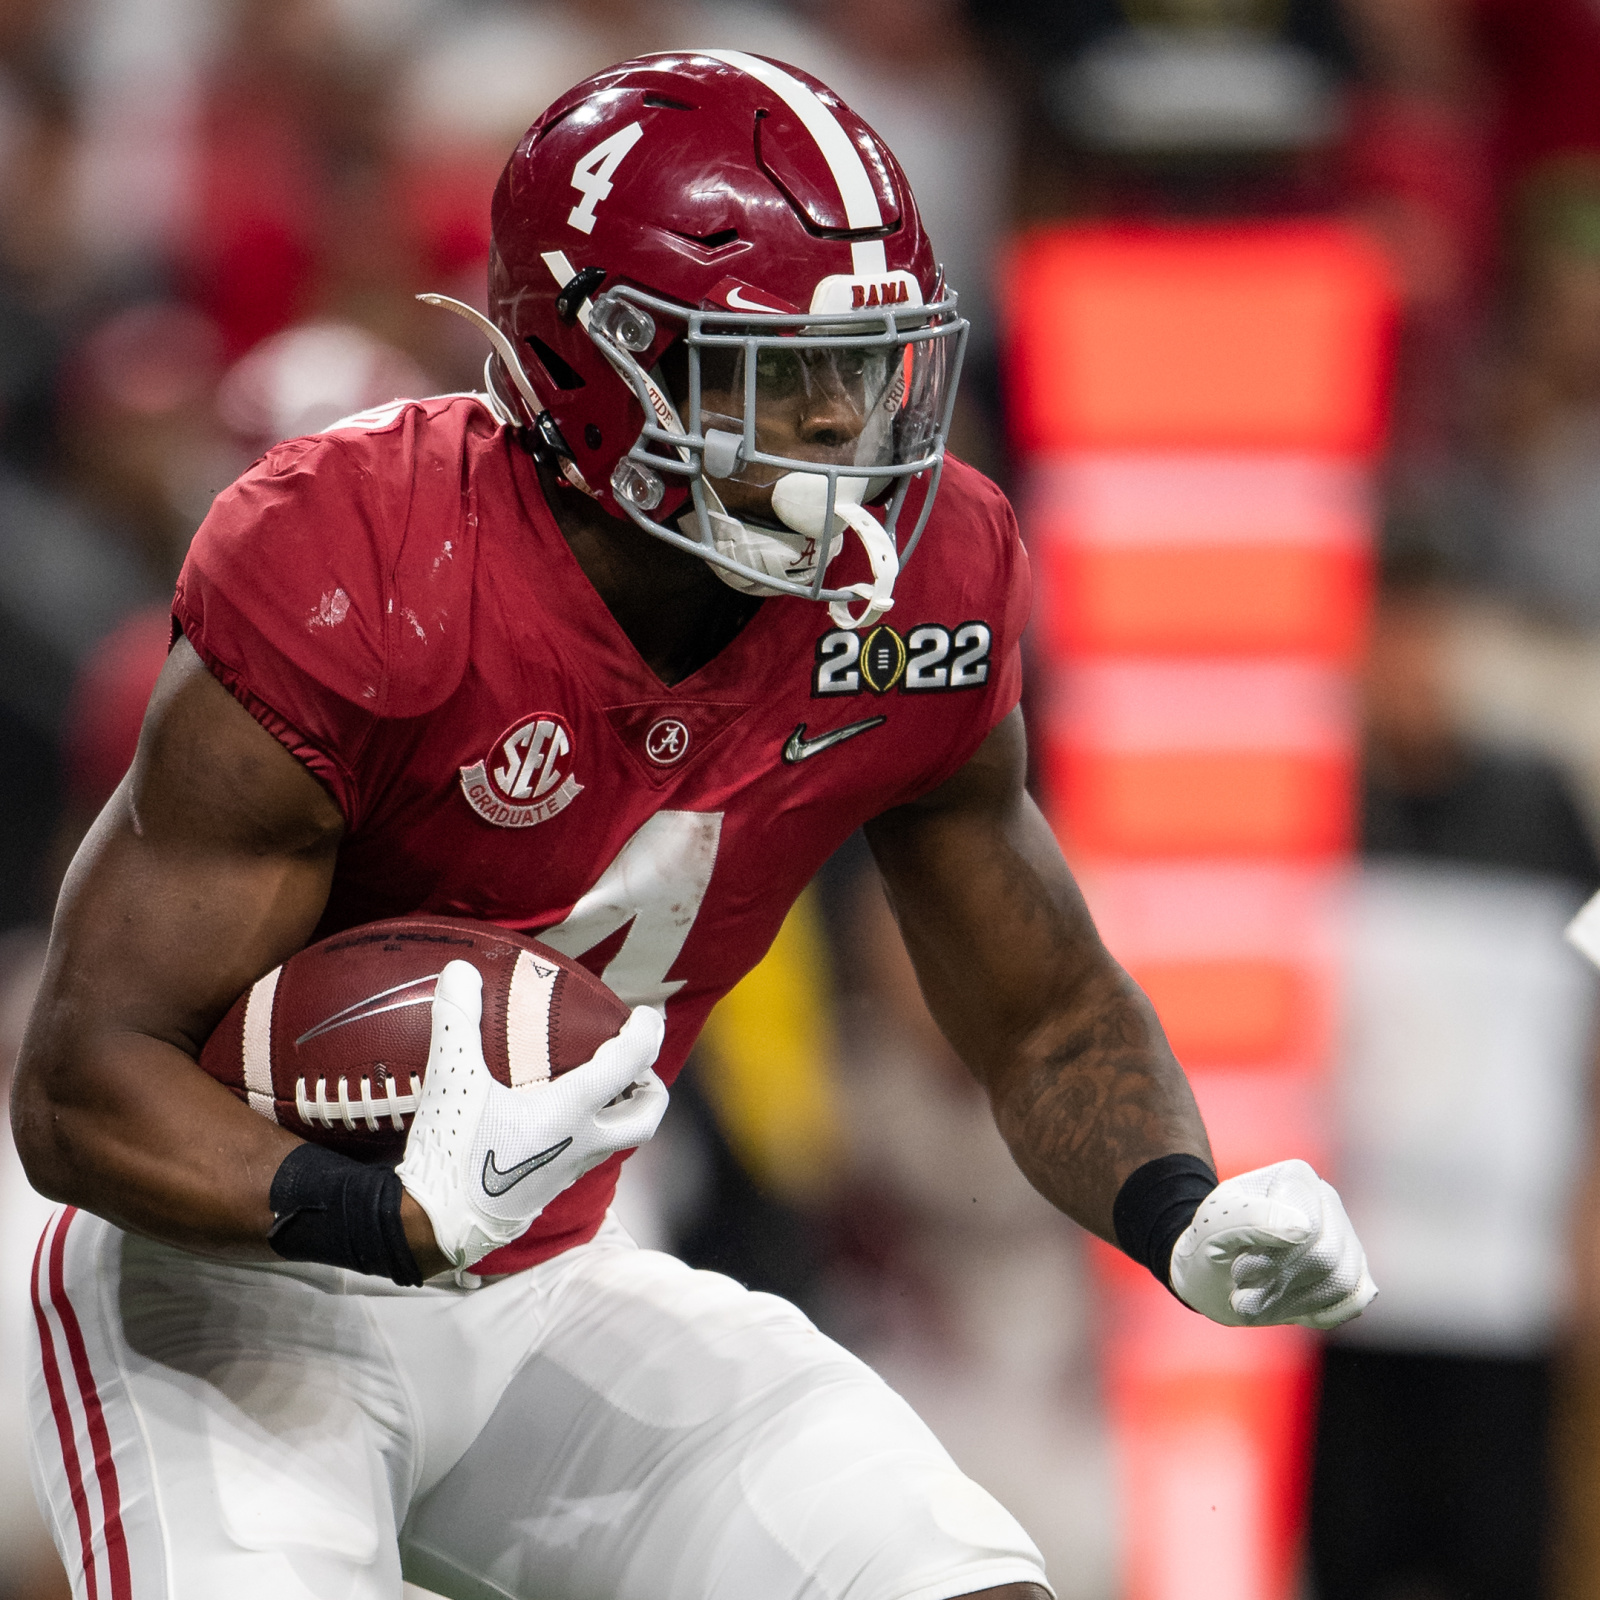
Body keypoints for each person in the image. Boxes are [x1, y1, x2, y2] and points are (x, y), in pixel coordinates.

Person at [12, 51, 1375, 1600]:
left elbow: (1047, 1009)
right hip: (235, 1285)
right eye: (776, 371)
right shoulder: (365, 562)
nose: (845, 426)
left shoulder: (922, 586)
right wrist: (372, 1206)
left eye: (868, 367)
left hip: (552, 1279)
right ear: (597, 366)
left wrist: (1179, 1210)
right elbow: (81, 1082)